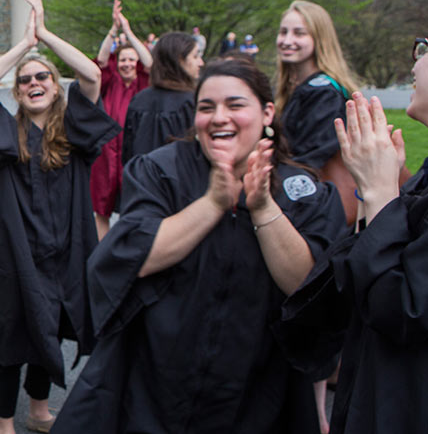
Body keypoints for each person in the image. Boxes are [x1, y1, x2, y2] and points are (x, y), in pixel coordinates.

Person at [53, 59, 348, 434]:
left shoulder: (303, 191)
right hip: (152, 391)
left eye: (235, 105)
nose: (219, 117)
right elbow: (131, 257)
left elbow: (308, 286)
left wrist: (262, 208)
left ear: (267, 112)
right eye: (206, 108)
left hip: (256, 394)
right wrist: (212, 203)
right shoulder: (160, 171)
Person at [0, 0, 118, 434]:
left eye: (43, 79)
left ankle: (38, 411)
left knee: (47, 334)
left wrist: (47, 33)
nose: (34, 83)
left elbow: (91, 74)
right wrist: (23, 46)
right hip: (16, 262)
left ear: (55, 88)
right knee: (14, 338)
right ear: (17, 91)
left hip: (63, 260)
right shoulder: (3, 135)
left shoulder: (73, 134)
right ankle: (6, 424)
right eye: (26, 80)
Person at [282, 38, 428, 433]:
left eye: (426, 48)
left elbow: (400, 309)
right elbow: (358, 282)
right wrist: (372, 191)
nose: (417, 57)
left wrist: (382, 194)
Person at [275, 0, 365, 226]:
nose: (287, 40)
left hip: (318, 211)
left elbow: (309, 157)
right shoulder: (299, 88)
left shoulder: (323, 93)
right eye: (283, 32)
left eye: (299, 33)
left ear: (319, 38)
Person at [91, 0, 153, 238]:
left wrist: (128, 31)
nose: (127, 64)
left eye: (131, 60)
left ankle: (129, 251)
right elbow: (102, 61)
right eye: (124, 60)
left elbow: (150, 62)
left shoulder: (143, 82)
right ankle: (102, 254)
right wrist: (113, 30)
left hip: (135, 149)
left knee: (134, 204)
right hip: (107, 151)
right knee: (102, 207)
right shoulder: (110, 80)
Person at [122, 31, 204, 164]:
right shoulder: (191, 102)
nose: (201, 63)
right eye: (195, 56)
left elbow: (127, 153)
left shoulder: (139, 100)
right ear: (179, 60)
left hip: (141, 180)